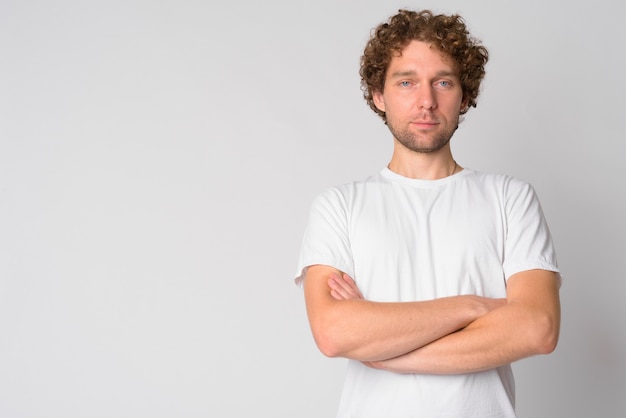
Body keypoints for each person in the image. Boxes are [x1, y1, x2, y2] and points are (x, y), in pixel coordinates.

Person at [293, 8, 561, 418]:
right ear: (379, 96)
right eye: (406, 82)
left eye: (443, 82)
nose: (426, 101)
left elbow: (536, 328)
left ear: (465, 95)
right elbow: (334, 333)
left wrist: (386, 352)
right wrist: (474, 307)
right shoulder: (339, 206)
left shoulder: (510, 198)